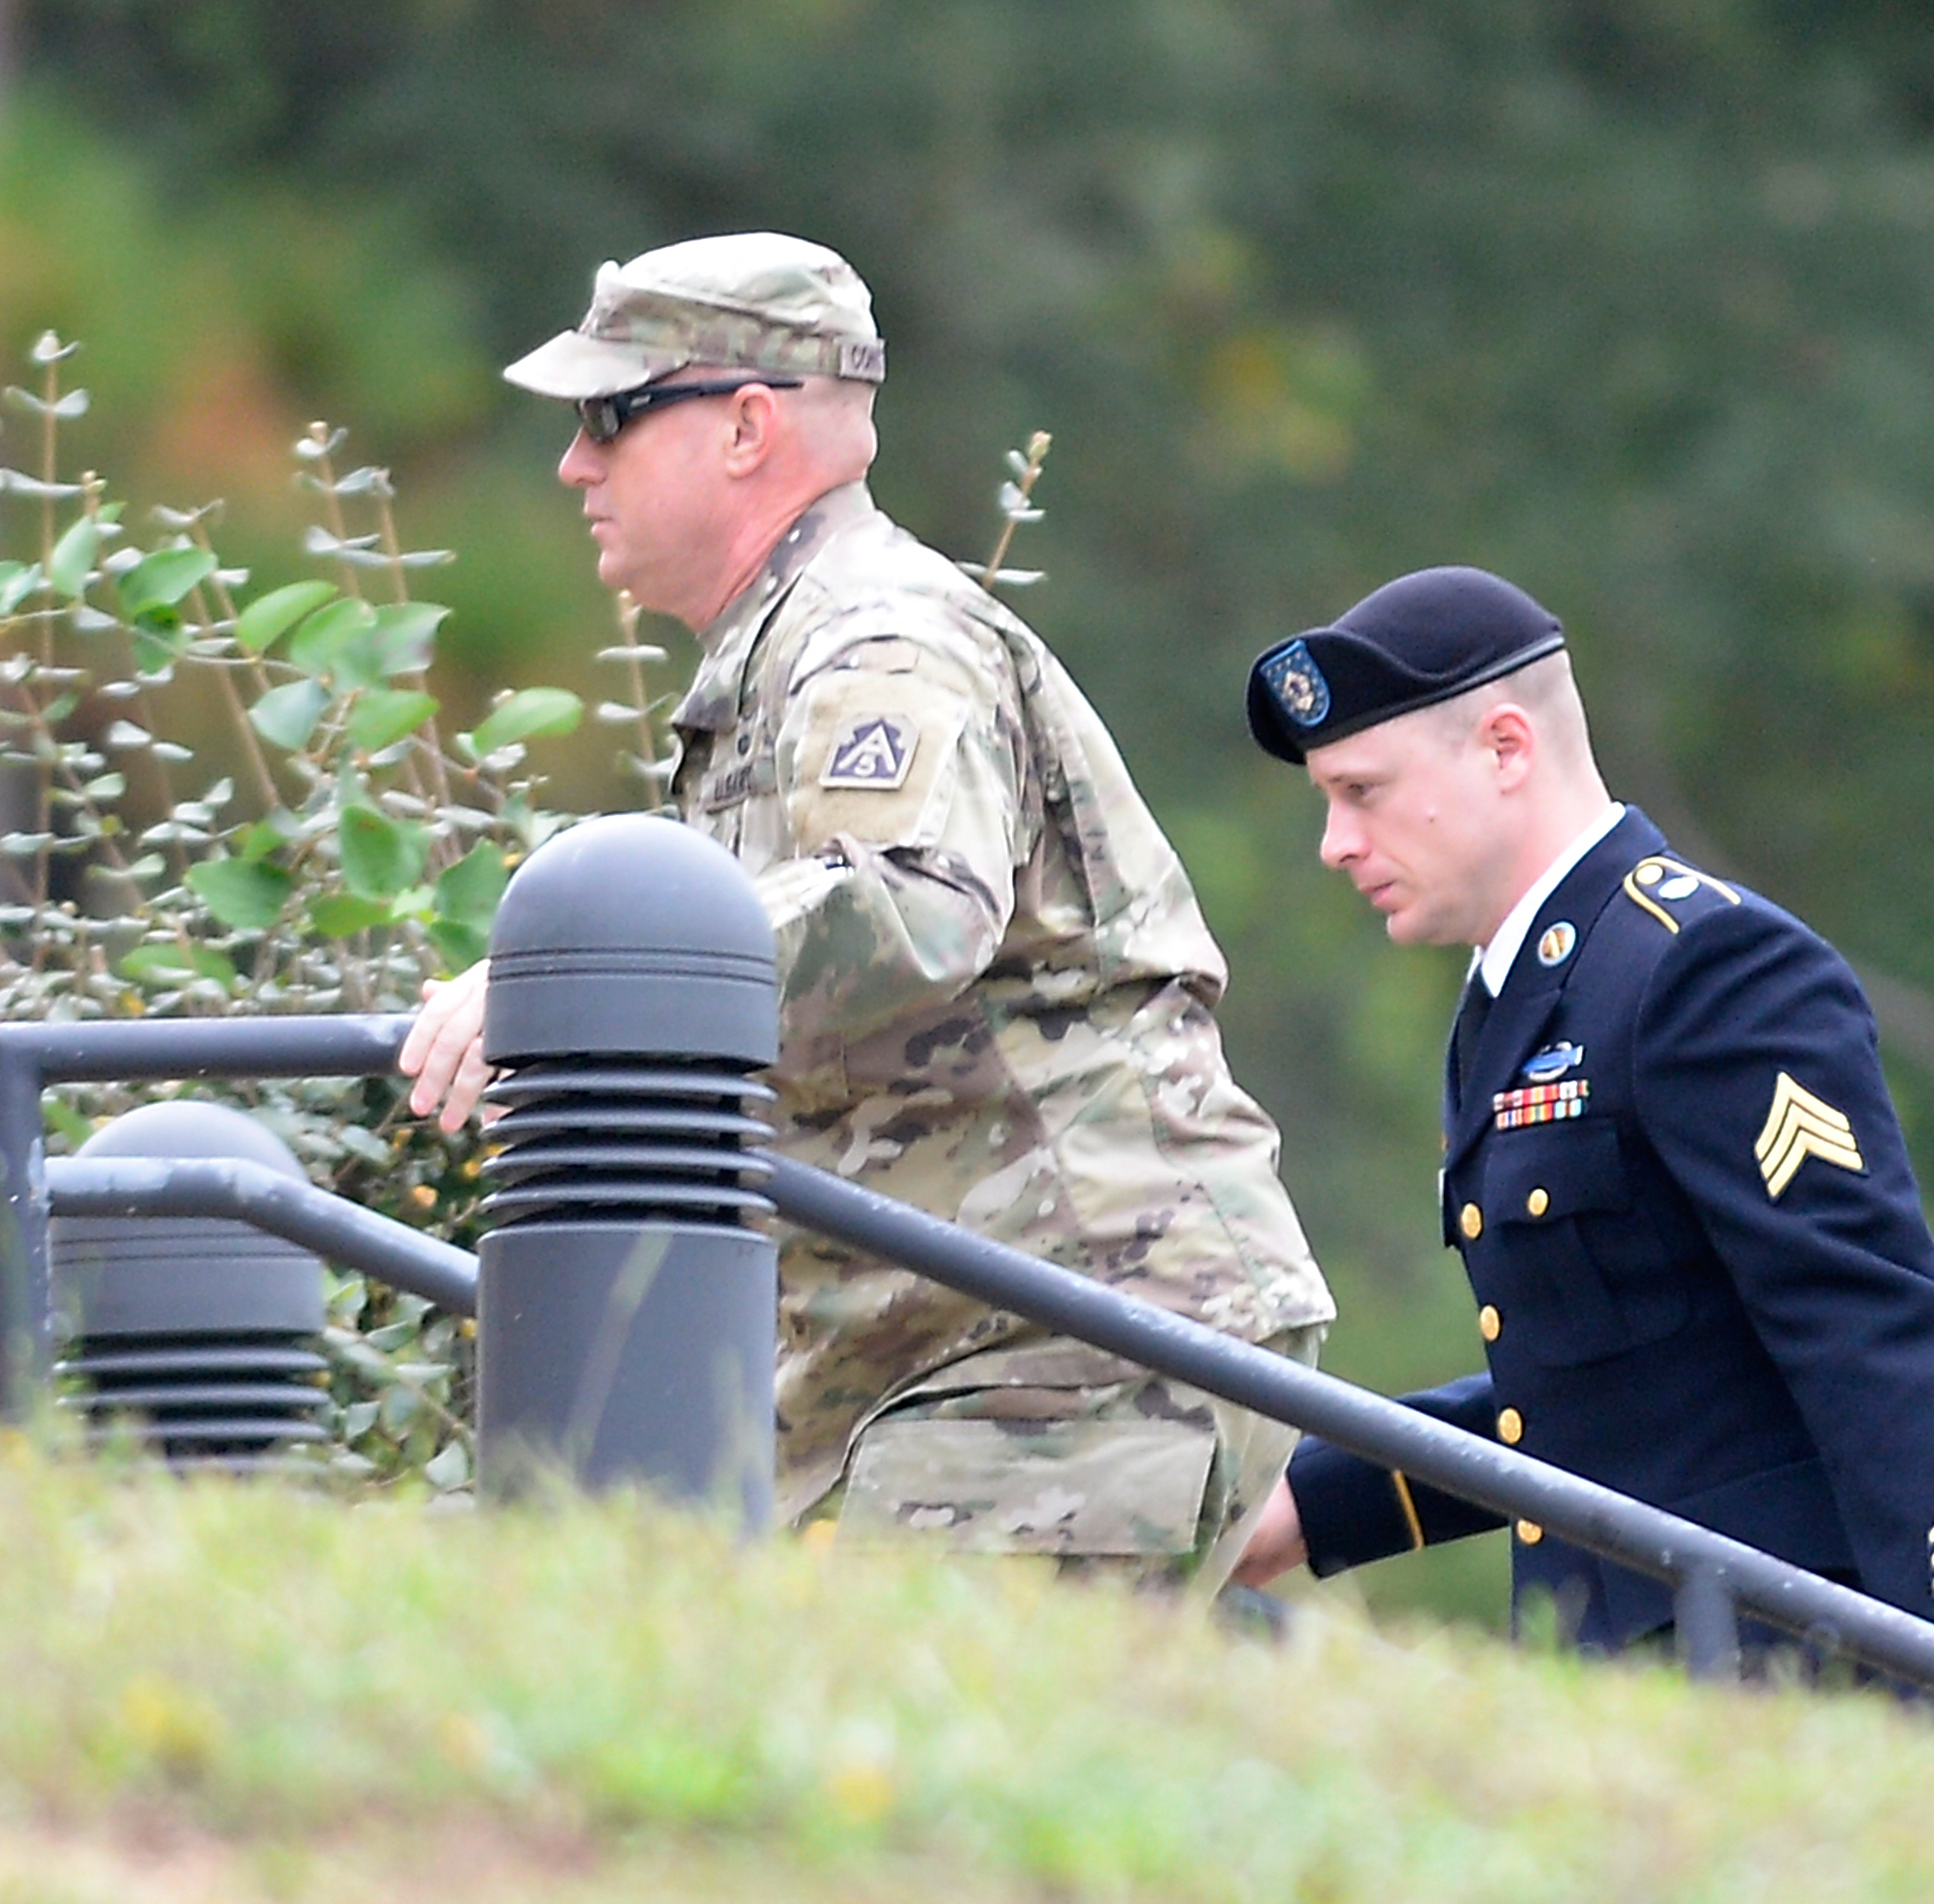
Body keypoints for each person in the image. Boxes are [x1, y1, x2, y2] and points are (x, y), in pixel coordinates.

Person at [398, 232, 1334, 1587]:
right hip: (956, 1342)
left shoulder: (872, 634)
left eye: (609, 416)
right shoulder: (791, 646)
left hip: (1067, 1326)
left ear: (745, 428)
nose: (573, 465)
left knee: (922, 1768)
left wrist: (587, 995)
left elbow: (914, 907)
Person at [1226, 566, 1934, 1666]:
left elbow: (1879, 1339)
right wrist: (1316, 1505)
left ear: (1506, 749)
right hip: (1625, 1669)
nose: (1334, 842)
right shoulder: (1506, 1005)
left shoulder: (1699, 963)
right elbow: (1601, 1389)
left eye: (1362, 791)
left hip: (1778, 1667)